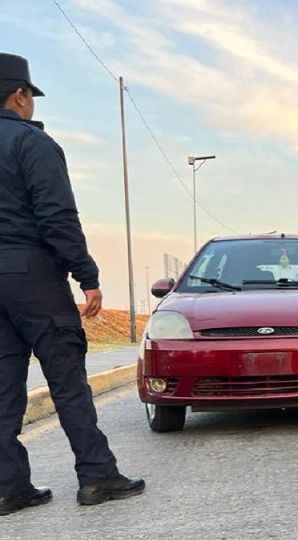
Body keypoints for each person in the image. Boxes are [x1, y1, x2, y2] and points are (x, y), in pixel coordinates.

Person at [0, 53, 144, 515]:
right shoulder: (31, 144)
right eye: (29, 97)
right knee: (66, 379)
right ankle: (98, 476)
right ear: (19, 95)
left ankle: (8, 487)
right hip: (32, 277)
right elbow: (57, 216)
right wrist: (87, 275)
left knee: (2, 387)